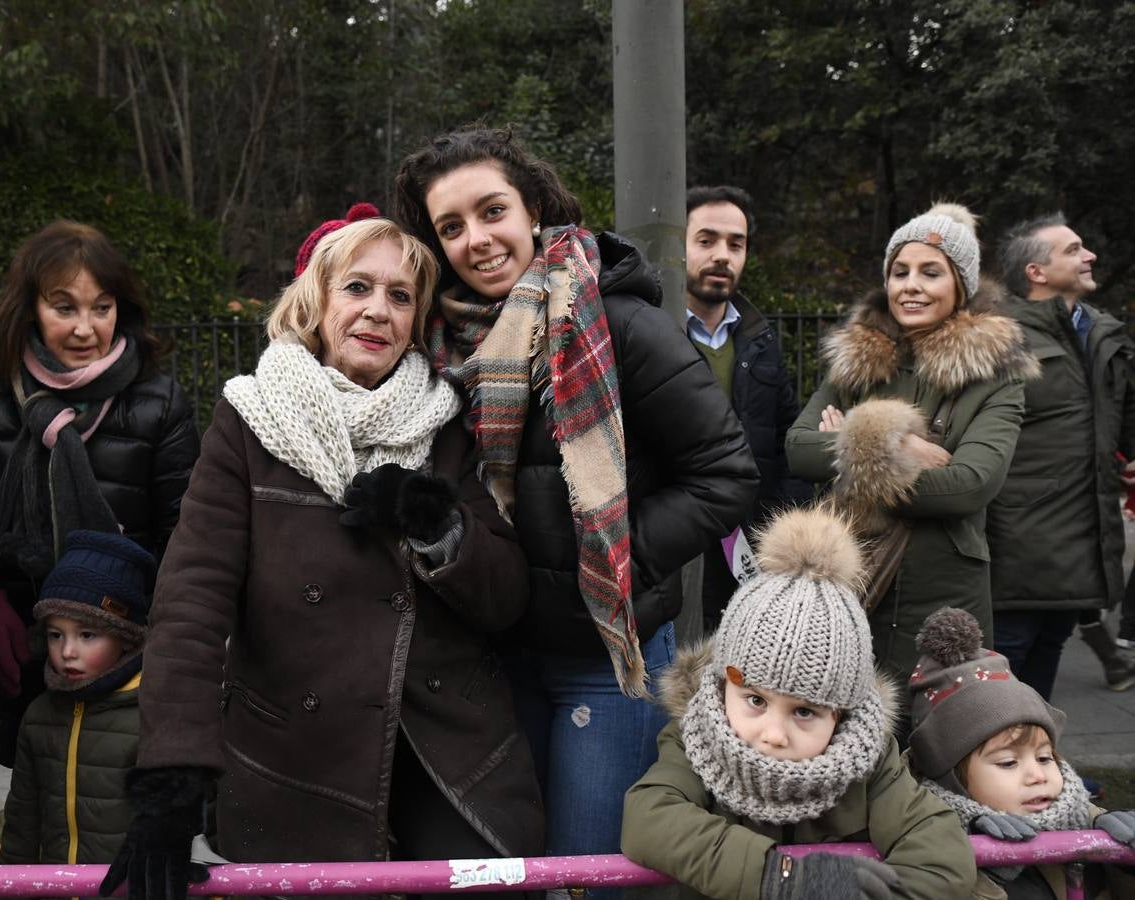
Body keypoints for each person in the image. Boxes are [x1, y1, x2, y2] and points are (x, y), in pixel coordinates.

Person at [102, 214, 543, 900]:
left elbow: (507, 597)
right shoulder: (248, 422)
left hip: (449, 761)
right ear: (315, 302)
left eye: (400, 296)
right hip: (295, 766)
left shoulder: (446, 422)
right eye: (357, 287)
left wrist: (436, 522)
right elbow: (191, 605)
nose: (378, 310)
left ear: (417, 322)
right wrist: (171, 780)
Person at [392, 126, 758, 876]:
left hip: (606, 657)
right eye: (451, 227)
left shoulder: (617, 323)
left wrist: (612, 563)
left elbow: (726, 472)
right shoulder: (439, 345)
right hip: (498, 654)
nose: (476, 239)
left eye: (492, 211)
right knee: (512, 870)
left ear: (533, 209)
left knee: (583, 879)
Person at [621, 506, 975, 900]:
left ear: (840, 716)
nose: (774, 734)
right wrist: (781, 877)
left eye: (804, 711)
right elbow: (649, 818)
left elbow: (941, 855)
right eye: (755, 700)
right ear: (723, 688)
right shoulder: (696, 738)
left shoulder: (867, 761)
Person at [0, 220, 200, 764]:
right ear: (29, 310)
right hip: (20, 645)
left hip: (128, 644)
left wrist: (156, 636)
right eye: (64, 307)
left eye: (101, 307)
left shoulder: (160, 403)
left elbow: (183, 535)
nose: (86, 328)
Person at [787, 203, 1036, 684]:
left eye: (931, 272)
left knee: (942, 724)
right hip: (852, 580)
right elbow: (798, 449)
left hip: (944, 597)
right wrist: (899, 446)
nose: (911, 285)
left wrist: (845, 445)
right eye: (900, 272)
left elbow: (968, 486)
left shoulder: (996, 376)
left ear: (961, 285)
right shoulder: (856, 362)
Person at [988, 213, 1135, 697]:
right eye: (1072, 250)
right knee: (1005, 666)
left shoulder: (1102, 334)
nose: (1089, 255)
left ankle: (1038, 747)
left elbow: (1121, 418)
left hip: (1081, 540)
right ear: (1036, 272)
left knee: (1048, 651)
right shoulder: (1000, 338)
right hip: (1018, 545)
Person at [906, 607, 1135, 898]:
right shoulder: (923, 852)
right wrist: (983, 873)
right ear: (951, 778)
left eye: (1045, 757)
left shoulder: (1086, 823)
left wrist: (1121, 863)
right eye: (1008, 762)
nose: (1038, 775)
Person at [682, 185, 808, 631]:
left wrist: (782, 530)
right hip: (679, 550)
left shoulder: (759, 338)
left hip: (751, 551)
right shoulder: (648, 332)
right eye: (706, 240)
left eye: (736, 244)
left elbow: (786, 439)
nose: (722, 255)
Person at [0, 530, 154, 866]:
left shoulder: (153, 714)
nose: (67, 651)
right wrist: (12, 881)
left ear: (126, 638)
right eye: (56, 635)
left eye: (87, 635)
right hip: (57, 886)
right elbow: (22, 817)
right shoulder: (39, 715)